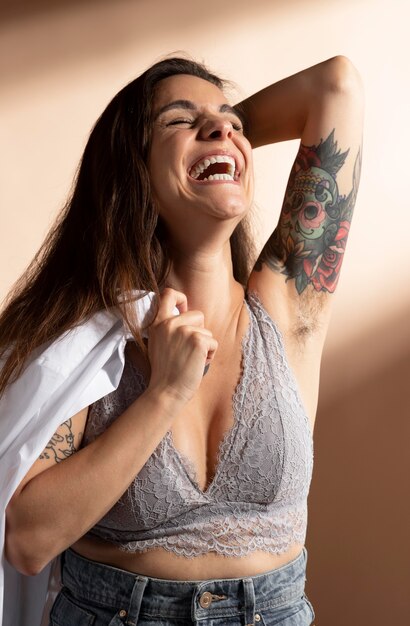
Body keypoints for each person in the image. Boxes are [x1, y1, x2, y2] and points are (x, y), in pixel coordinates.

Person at [0, 55, 363, 625]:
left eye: (231, 122)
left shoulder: (290, 304)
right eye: (177, 119)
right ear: (133, 170)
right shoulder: (86, 339)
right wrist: (163, 393)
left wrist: (211, 142)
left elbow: (334, 85)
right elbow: (27, 540)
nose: (221, 126)